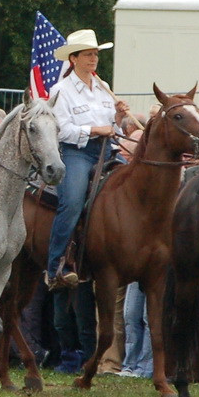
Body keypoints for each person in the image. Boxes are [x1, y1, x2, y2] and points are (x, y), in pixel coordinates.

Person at [43, 29, 127, 289]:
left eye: (95, 54)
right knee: (72, 202)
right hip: (75, 152)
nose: (94, 59)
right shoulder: (61, 90)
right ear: (74, 59)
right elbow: (62, 130)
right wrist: (95, 130)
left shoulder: (104, 88)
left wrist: (119, 119)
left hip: (107, 150)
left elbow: (115, 128)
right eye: (88, 54)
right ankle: (55, 265)